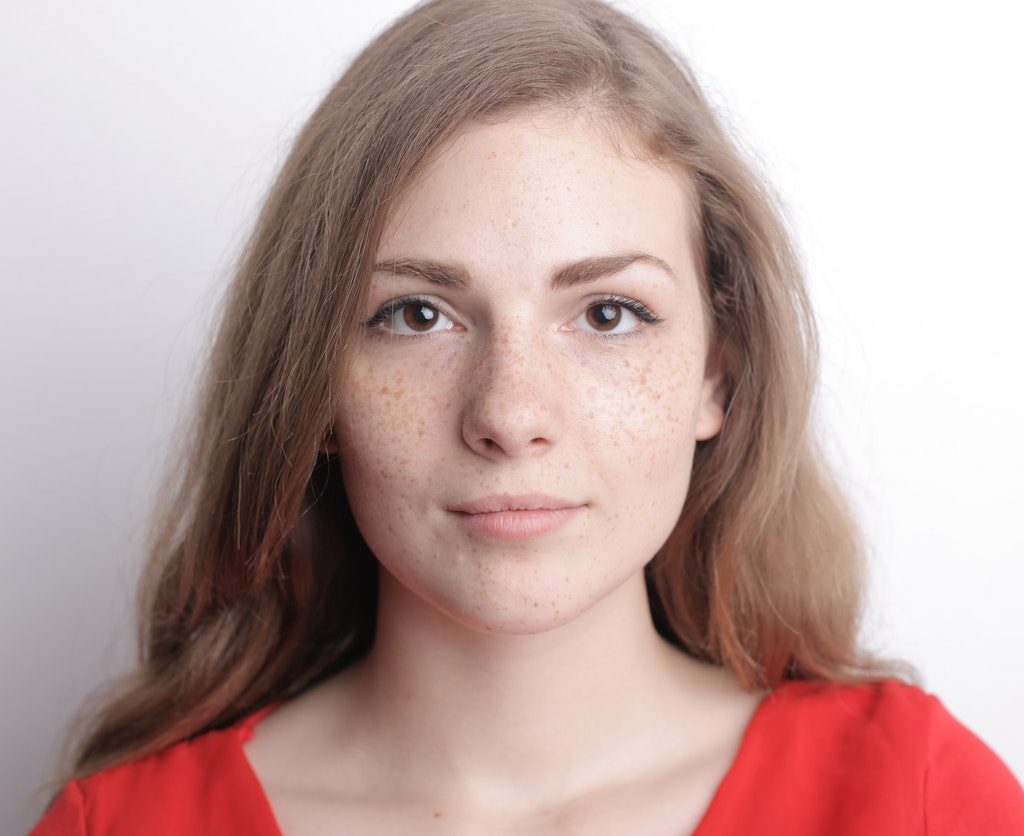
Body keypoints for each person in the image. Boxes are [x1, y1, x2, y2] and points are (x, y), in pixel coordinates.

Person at [28, 0, 1023, 833]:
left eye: (607, 313)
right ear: (314, 387)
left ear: (717, 376)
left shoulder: (917, 798)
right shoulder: (119, 823)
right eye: (415, 314)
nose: (509, 413)